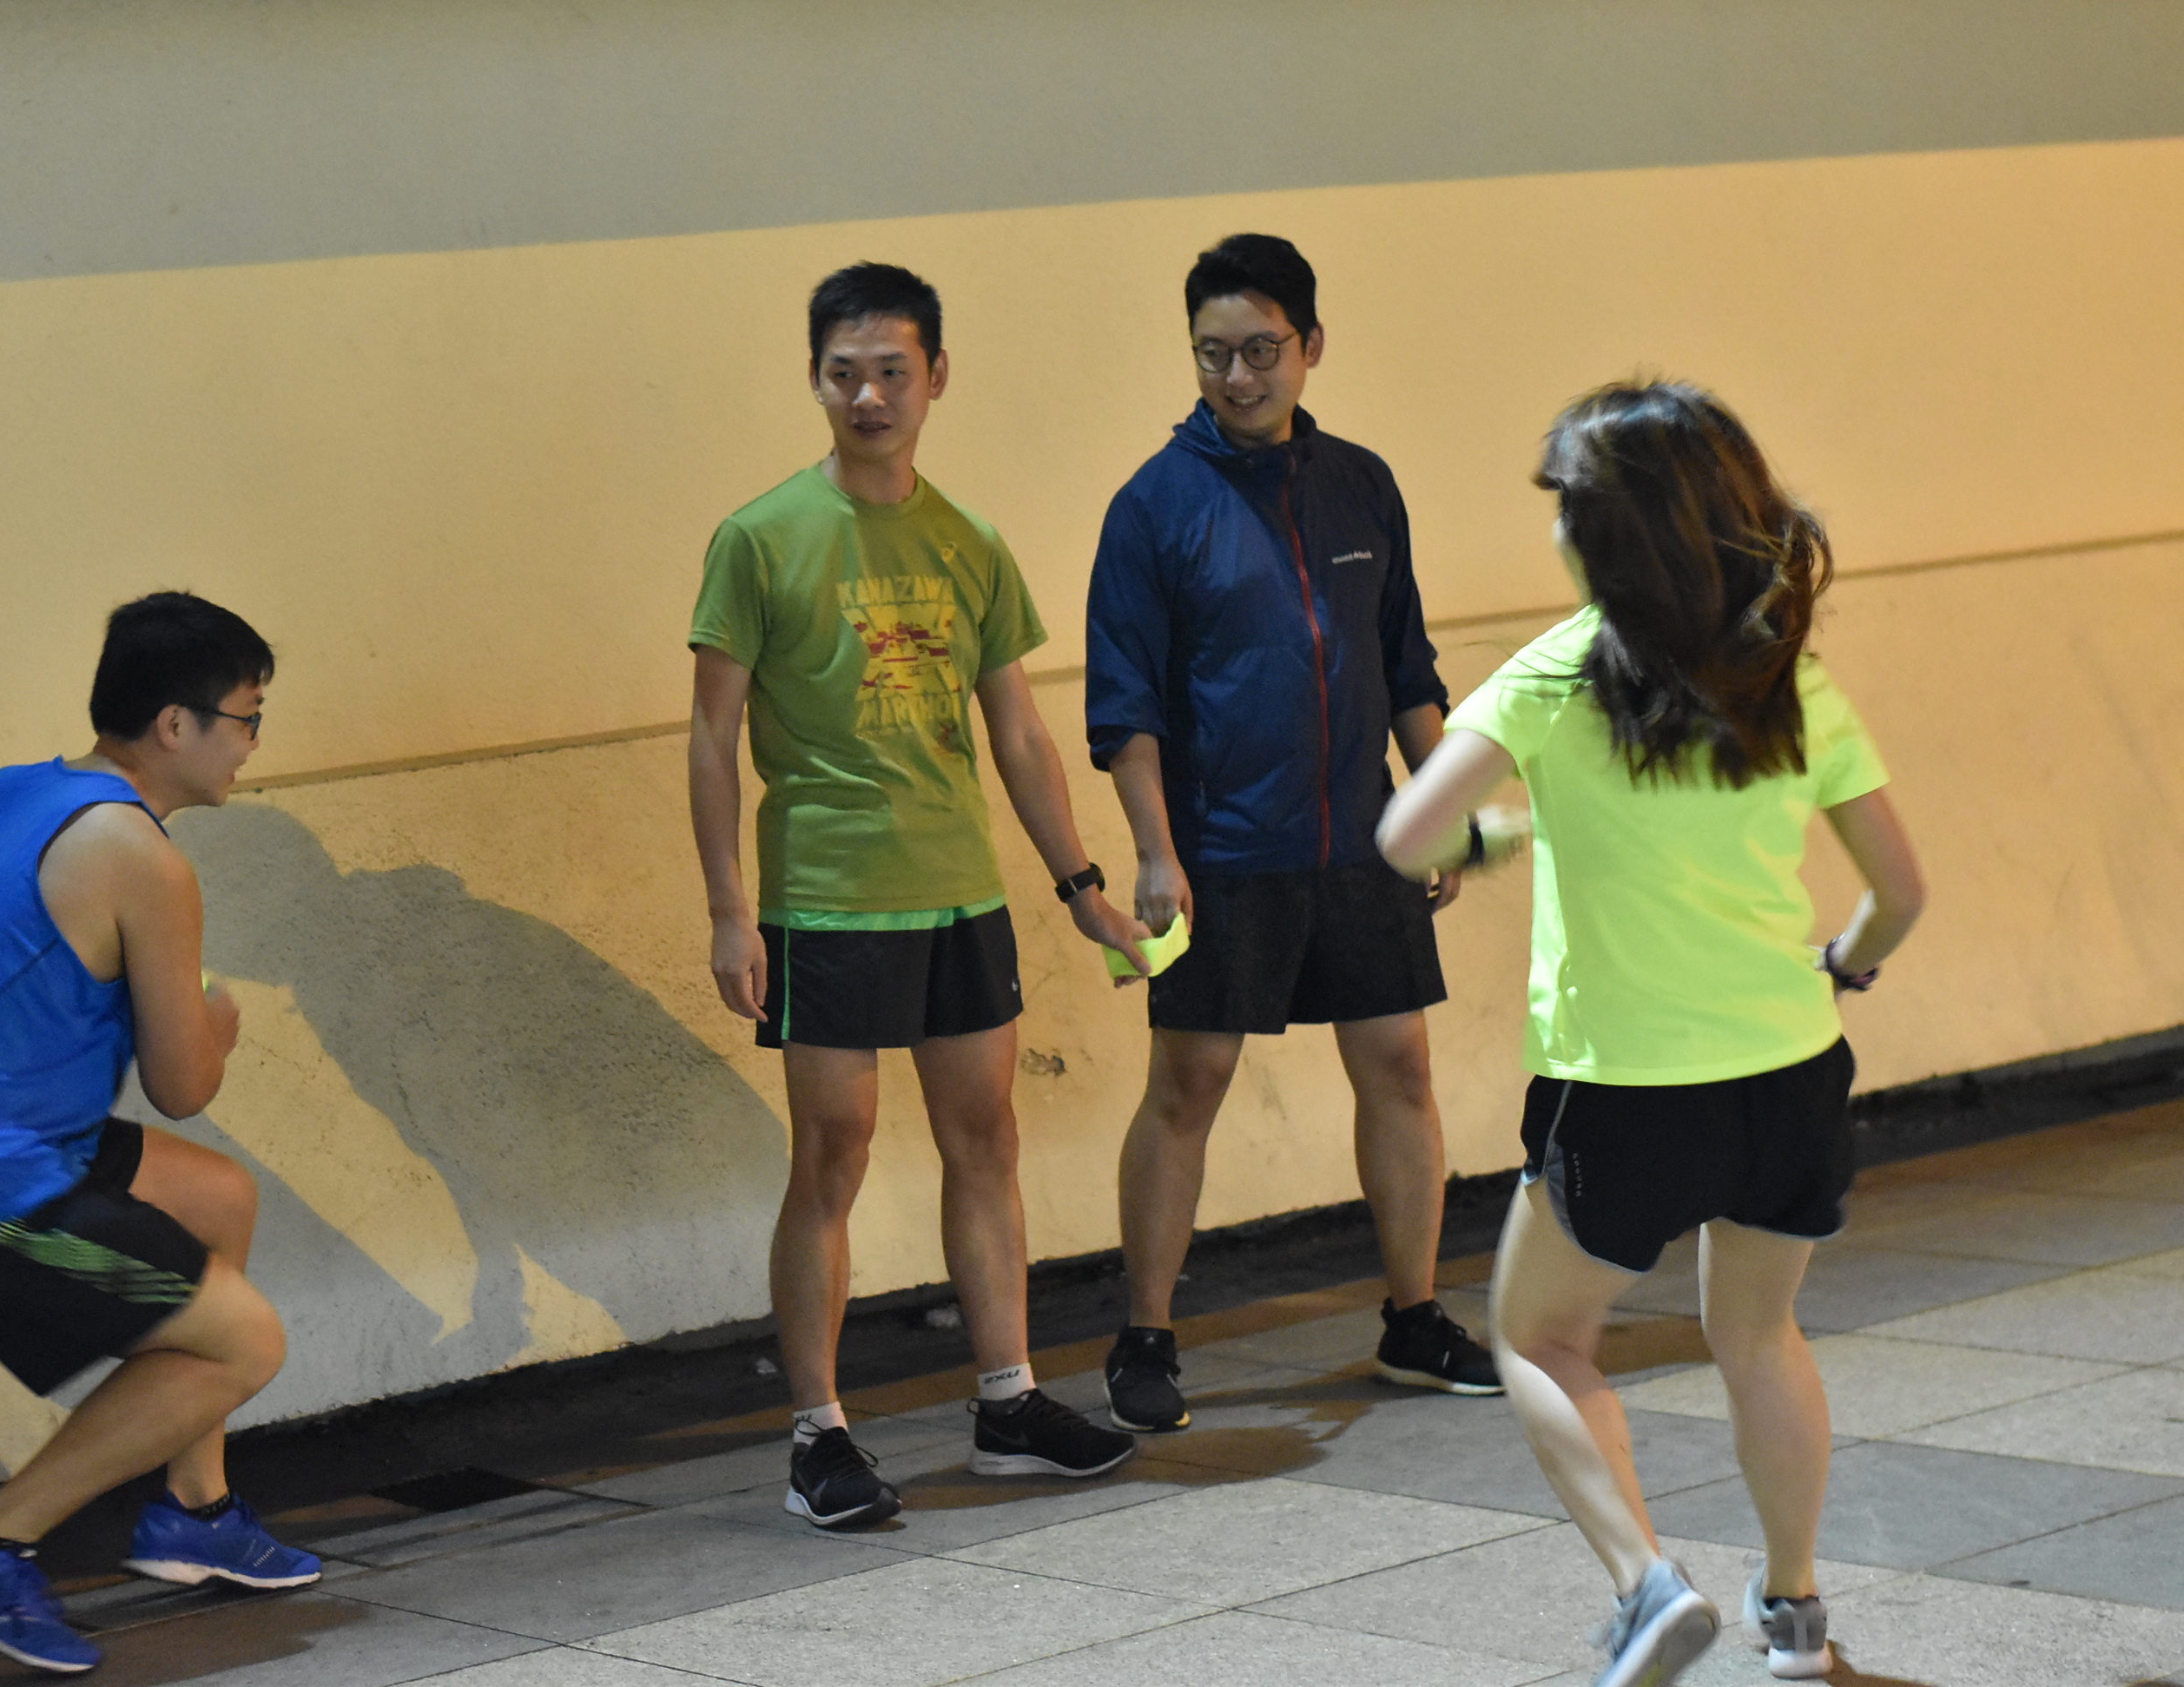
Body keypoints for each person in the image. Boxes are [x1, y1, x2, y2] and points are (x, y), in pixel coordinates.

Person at [1378, 380, 1926, 1685]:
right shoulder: (1783, 673)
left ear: (1603, 534)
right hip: (1788, 1070)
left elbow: (1406, 836)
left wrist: (1493, 839)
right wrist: (1847, 960)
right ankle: (1794, 1617)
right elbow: (1900, 891)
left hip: (1624, 1088)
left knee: (1538, 1336)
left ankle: (1646, 1586)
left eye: (1565, 509)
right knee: (1760, 1337)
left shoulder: (1555, 673)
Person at [690, 261, 1158, 1528]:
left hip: (958, 891)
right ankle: (818, 1433)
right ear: (814, 380)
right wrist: (730, 910)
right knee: (833, 1151)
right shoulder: (758, 538)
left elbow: (1020, 734)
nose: (869, 395)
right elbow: (711, 738)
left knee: (986, 1138)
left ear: (935, 376)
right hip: (826, 895)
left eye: (892, 371)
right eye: (844, 373)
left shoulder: (970, 542)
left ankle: (1008, 1401)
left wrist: (1081, 885)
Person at [0, 592, 316, 1674]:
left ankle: (195, 1511)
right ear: (176, 724)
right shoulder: (143, 856)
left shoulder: (12, 792)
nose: (252, 743)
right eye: (247, 718)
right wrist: (218, 1023)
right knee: (246, 1342)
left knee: (219, 1196)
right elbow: (183, 1084)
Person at [1085, 232, 1499, 1434]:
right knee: (1190, 1082)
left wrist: (1438, 804)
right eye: (1212, 353)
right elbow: (1126, 707)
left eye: (1261, 350)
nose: (1238, 376)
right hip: (1222, 854)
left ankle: (1414, 1317)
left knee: (1400, 1067)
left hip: (1361, 845)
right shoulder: (1153, 506)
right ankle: (1145, 1335)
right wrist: (1155, 851)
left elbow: (1406, 667)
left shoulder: (1362, 485)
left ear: (1310, 345)